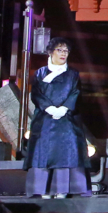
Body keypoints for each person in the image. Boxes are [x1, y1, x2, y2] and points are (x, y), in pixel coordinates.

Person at [23, 37, 90, 198]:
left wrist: (65, 108)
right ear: (51, 52)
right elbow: (36, 94)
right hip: (45, 119)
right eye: (59, 50)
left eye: (66, 51)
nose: (63, 54)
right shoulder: (40, 73)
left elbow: (76, 92)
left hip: (67, 119)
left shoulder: (73, 74)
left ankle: (63, 189)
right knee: (43, 152)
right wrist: (49, 107)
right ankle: (43, 189)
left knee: (66, 152)